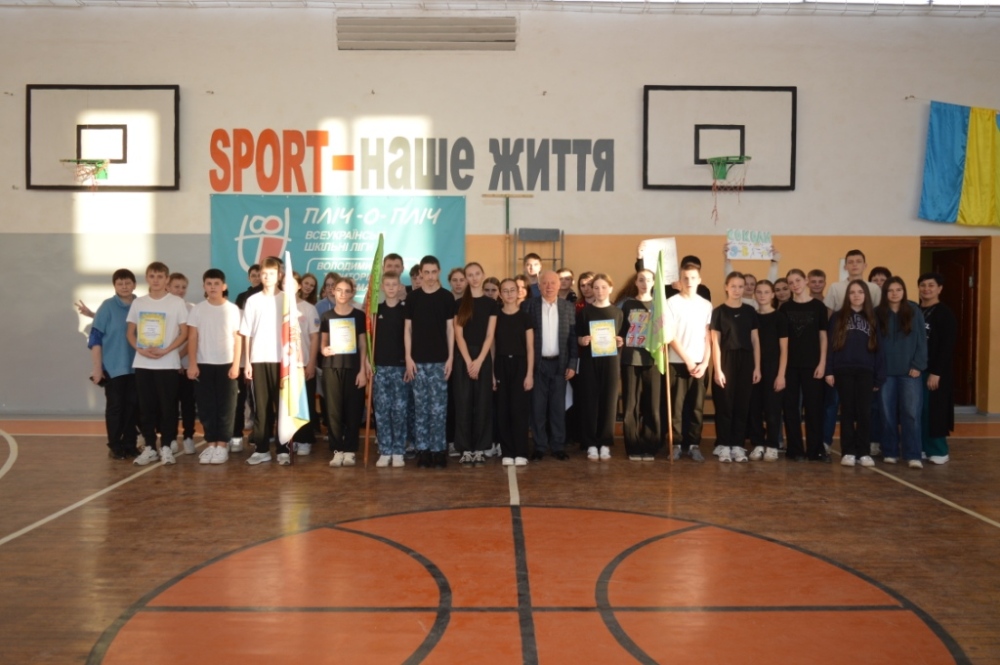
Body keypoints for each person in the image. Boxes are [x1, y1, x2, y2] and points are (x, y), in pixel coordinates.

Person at [127, 261, 189, 466]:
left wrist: (166, 350)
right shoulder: (139, 303)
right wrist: (140, 349)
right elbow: (130, 332)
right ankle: (150, 447)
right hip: (143, 363)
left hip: (168, 363)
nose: (156, 280)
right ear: (147, 278)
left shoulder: (176, 303)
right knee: (146, 408)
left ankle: (167, 446)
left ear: (166, 279)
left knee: (168, 407)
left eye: (160, 276)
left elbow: (184, 332)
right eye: (152, 276)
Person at [825, 280, 885, 468]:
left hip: (866, 370)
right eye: (852, 292)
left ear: (866, 295)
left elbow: (879, 348)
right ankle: (848, 451)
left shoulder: (873, 317)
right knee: (848, 411)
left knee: (864, 412)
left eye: (860, 292)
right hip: (843, 369)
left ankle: (864, 452)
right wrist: (829, 370)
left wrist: (879, 375)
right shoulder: (837, 317)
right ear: (847, 296)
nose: (856, 295)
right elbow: (829, 345)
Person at [186, 269, 242, 465]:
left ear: (224, 286)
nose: (213, 287)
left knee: (226, 407)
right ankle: (211, 444)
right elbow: (193, 337)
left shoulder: (233, 309)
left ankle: (222, 446)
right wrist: (192, 363)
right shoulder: (198, 309)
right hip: (204, 364)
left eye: (216, 283)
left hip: (227, 364)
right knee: (206, 406)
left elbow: (238, 338)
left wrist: (236, 365)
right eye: (209, 284)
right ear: (204, 286)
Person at [405, 256, 455, 468]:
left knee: (438, 409)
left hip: (440, 362)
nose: (430, 276)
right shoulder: (413, 298)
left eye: (434, 272)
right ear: (421, 274)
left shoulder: (446, 297)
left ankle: (438, 450)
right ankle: (423, 450)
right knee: (421, 408)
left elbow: (450, 329)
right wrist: (408, 357)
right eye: (426, 272)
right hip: (417, 362)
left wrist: (450, 357)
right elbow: (407, 329)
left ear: (439, 272)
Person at [522, 269, 577, 460]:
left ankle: (558, 446)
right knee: (537, 409)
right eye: (545, 283)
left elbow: (572, 339)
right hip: (538, 365)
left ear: (559, 285)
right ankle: (539, 446)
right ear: (539, 286)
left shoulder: (568, 307)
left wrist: (572, 364)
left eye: (553, 283)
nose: (549, 286)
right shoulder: (529, 306)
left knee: (557, 409)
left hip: (560, 365)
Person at [240, 256, 290, 466]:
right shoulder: (253, 300)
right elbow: (247, 333)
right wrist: (248, 362)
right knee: (261, 407)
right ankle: (261, 449)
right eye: (264, 274)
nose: (268, 277)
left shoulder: (287, 299)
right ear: (260, 276)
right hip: (259, 360)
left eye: (272, 273)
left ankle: (283, 449)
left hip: (282, 361)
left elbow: (293, 331)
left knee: (283, 407)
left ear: (279, 275)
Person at [88, 268, 139, 459]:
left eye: (128, 283)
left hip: (137, 367)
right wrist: (97, 369)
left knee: (133, 407)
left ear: (134, 284)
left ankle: (130, 444)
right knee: (116, 407)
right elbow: (95, 339)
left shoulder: (141, 305)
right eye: (120, 283)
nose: (124, 286)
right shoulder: (107, 306)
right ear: (114, 286)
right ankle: (115, 445)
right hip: (114, 367)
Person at [876, 277, 926, 468]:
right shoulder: (878, 313)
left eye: (898, 289)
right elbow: (873, 343)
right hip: (886, 373)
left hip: (910, 372)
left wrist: (918, 365)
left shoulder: (914, 311)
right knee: (887, 414)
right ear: (885, 293)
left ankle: (913, 454)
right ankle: (890, 451)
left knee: (911, 414)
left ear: (904, 291)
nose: (894, 293)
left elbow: (922, 340)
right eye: (890, 290)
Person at [711, 272, 761, 463]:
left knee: (742, 404)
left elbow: (755, 340)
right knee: (725, 403)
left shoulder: (750, 311)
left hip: (746, 360)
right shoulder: (719, 312)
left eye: (741, 286)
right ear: (726, 287)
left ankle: (738, 445)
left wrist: (757, 367)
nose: (737, 290)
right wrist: (718, 369)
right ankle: (724, 445)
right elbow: (715, 342)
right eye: (733, 286)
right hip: (726, 360)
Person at [666, 262, 713, 462]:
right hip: (677, 362)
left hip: (700, 364)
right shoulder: (671, 302)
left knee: (696, 407)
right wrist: (687, 361)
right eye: (685, 278)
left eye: (693, 278)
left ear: (699, 280)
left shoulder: (706, 305)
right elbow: (670, 336)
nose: (689, 281)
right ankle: (676, 444)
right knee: (676, 407)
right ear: (680, 280)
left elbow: (709, 336)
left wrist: (704, 363)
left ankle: (694, 444)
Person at [453, 262, 498, 466]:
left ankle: (480, 448)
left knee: (482, 404)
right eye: (469, 275)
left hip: (483, 357)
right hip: (463, 357)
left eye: (477, 274)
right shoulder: (459, 303)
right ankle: (464, 448)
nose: (474, 278)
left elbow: (490, 335)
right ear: (466, 278)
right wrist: (469, 361)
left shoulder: (491, 304)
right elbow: (458, 335)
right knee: (463, 403)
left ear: (483, 275)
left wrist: (479, 361)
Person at [320, 277, 368, 468]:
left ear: (352, 293)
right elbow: (323, 342)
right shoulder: (327, 316)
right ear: (333, 291)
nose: (342, 294)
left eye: (346, 290)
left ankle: (350, 450)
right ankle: (337, 450)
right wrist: (324, 350)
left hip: (354, 368)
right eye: (339, 290)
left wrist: (363, 370)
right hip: (331, 368)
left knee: (353, 411)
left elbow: (363, 344)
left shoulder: (359, 315)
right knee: (333, 411)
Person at [782, 269, 828, 462]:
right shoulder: (785, 308)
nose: (795, 285)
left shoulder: (818, 306)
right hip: (790, 366)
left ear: (806, 281)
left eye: (798, 280)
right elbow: (782, 341)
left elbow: (823, 336)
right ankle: (795, 449)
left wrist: (822, 363)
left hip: (813, 365)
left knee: (814, 408)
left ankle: (815, 450)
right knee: (791, 408)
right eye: (791, 282)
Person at [577, 274, 624, 461]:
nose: (599, 291)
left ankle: (605, 442)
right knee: (589, 401)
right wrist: (582, 340)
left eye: (603, 287)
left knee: (609, 401)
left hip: (611, 362)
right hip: (589, 362)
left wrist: (620, 341)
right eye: (596, 287)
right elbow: (577, 336)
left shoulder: (618, 313)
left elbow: (622, 337)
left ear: (610, 288)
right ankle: (590, 443)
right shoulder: (585, 312)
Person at [619, 269, 661, 461]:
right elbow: (620, 331)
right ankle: (633, 446)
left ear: (654, 283)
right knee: (631, 405)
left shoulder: (659, 305)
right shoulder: (627, 304)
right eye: (641, 280)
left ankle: (650, 445)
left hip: (653, 360)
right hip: (630, 359)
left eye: (648, 280)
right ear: (635, 282)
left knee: (652, 404)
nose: (645, 283)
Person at [494, 278, 534, 466]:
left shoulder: (525, 317)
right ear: (500, 294)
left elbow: (530, 348)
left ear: (518, 293)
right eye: (505, 290)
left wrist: (529, 374)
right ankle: (507, 451)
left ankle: (521, 452)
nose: (509, 294)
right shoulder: (496, 317)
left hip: (520, 365)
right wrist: (492, 373)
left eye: (512, 290)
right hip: (501, 364)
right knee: (503, 409)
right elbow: (492, 346)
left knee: (519, 409)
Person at [918, 272, 957, 465]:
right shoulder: (916, 311)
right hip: (918, 370)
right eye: (923, 285)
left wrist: (936, 372)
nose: (926, 289)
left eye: (931, 285)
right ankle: (922, 447)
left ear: (939, 289)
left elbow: (946, 346)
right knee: (919, 411)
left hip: (935, 372)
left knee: (935, 411)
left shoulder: (944, 313)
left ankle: (938, 450)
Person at [747, 280, 787, 462]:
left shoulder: (780, 317)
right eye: (759, 292)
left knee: (773, 409)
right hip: (754, 369)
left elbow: (784, 349)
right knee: (754, 408)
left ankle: (772, 445)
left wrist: (781, 375)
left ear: (772, 295)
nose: (762, 295)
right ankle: (757, 443)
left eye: (766, 292)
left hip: (773, 369)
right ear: (755, 294)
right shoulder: (751, 316)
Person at [372, 271, 408, 468]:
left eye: (395, 284)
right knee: (382, 411)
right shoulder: (376, 311)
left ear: (400, 286)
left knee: (399, 410)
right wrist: (370, 362)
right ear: (382, 287)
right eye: (388, 284)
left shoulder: (405, 310)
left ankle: (398, 451)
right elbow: (370, 339)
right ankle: (385, 450)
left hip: (400, 367)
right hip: (380, 367)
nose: (391, 288)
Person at [292, 272, 321, 456]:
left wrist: (311, 363)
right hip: (284, 365)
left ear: (299, 286)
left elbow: (314, 337)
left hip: (303, 364)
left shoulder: (309, 309)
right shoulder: (279, 307)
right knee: (288, 404)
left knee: (305, 403)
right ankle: (292, 438)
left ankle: (304, 439)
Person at [168, 272, 197, 455]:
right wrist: (171, 358)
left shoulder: (191, 308)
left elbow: (192, 338)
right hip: (167, 365)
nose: (180, 290)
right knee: (169, 404)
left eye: (183, 287)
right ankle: (170, 438)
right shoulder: (163, 308)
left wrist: (179, 357)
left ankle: (188, 437)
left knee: (188, 404)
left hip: (186, 365)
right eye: (176, 287)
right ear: (168, 287)